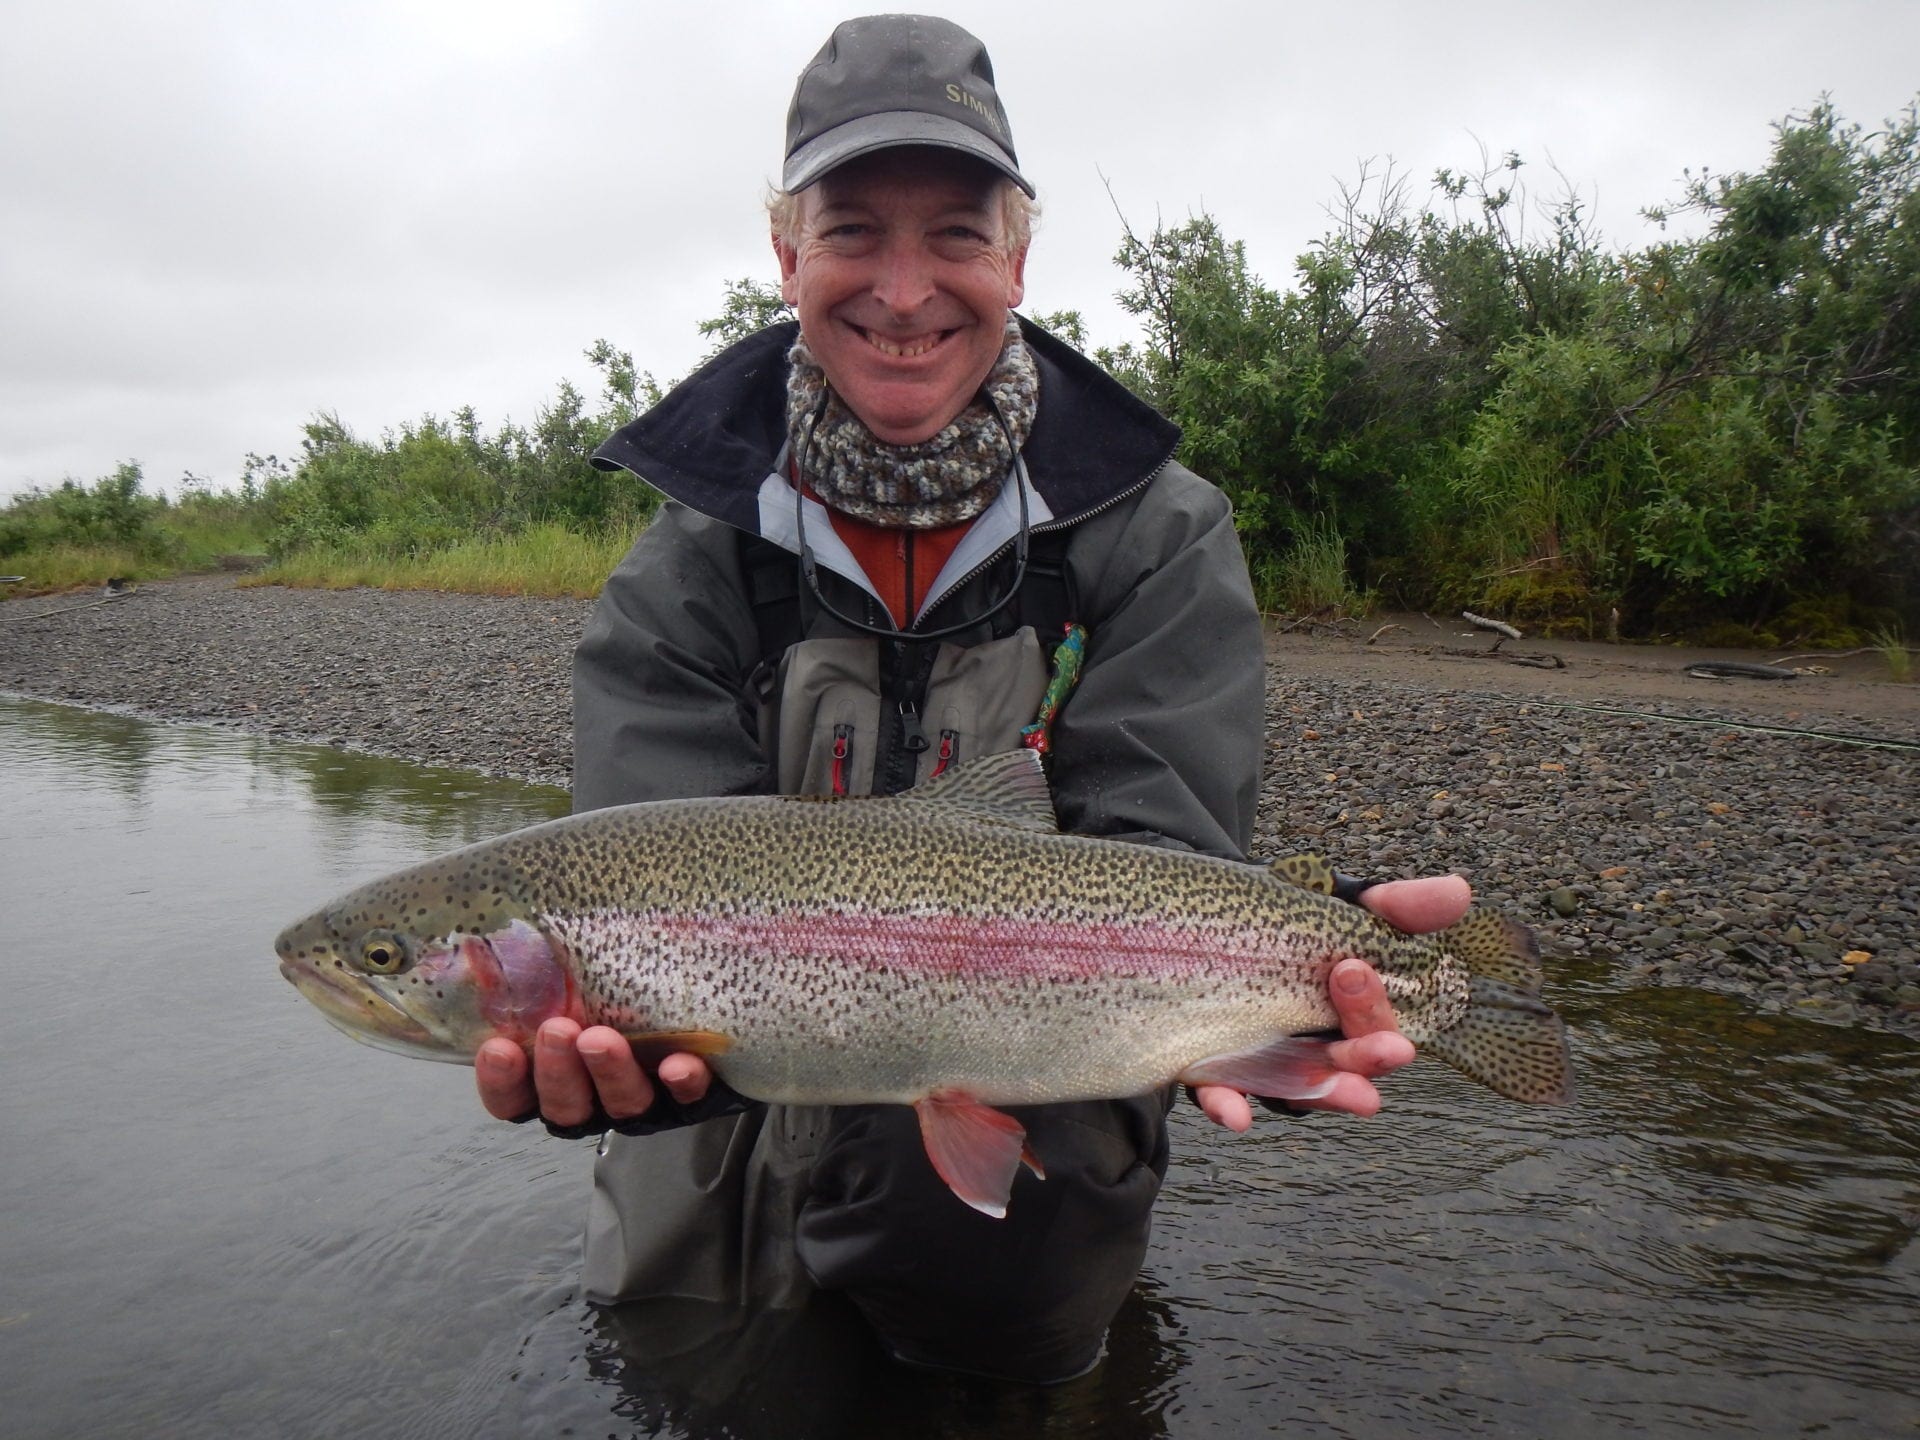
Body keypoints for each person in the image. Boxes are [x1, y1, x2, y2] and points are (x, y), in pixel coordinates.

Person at [475, 14, 1470, 1384]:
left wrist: (1304, 961)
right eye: (850, 234)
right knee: (692, 1377)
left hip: (1035, 1083)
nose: (900, 289)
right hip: (717, 1149)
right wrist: (615, 1078)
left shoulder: (1156, 533)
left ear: (1016, 258)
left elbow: (1162, 851)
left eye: (953, 233)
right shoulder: (689, 558)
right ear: (785, 257)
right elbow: (636, 877)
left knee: (994, 1354)